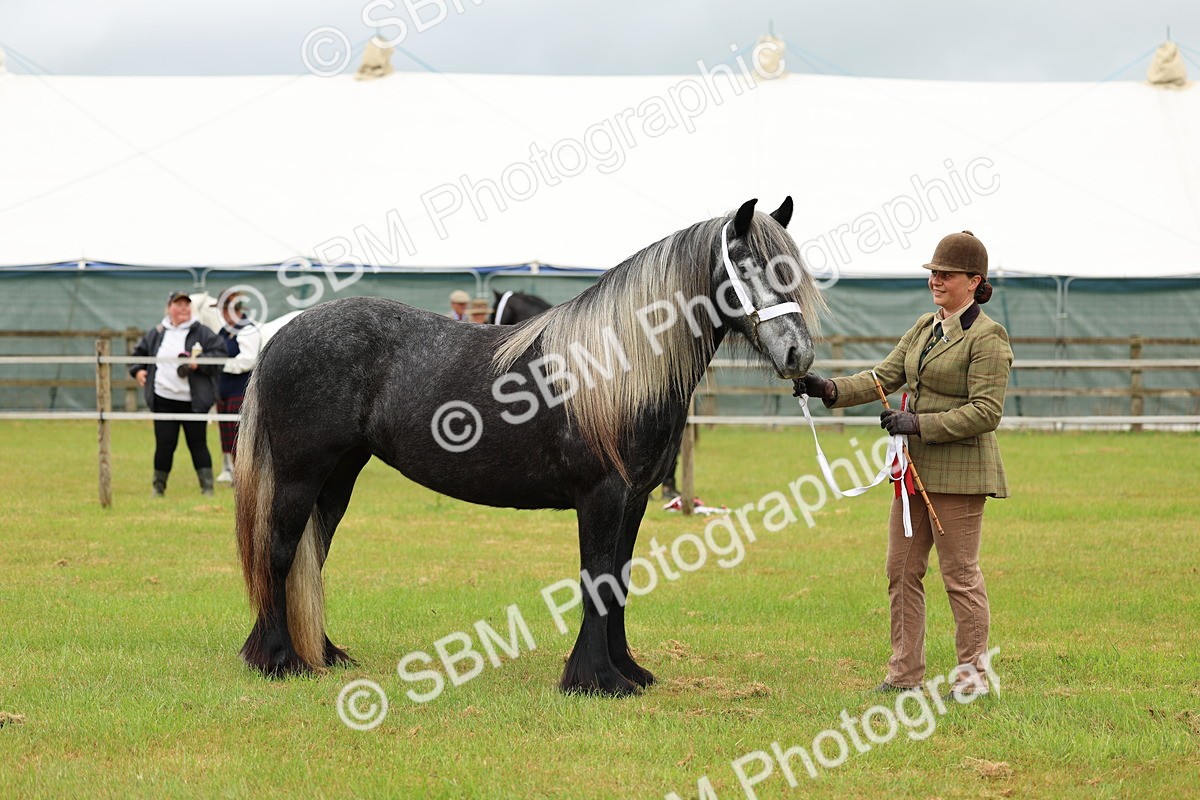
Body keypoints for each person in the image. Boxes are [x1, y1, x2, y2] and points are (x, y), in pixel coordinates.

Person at [800, 231, 1012, 697]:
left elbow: (986, 412)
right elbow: (883, 377)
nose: (935, 280)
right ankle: (904, 675)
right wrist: (829, 389)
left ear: (974, 281)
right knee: (900, 570)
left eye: (946, 274)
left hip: (960, 474)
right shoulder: (923, 327)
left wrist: (918, 423)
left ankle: (972, 679)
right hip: (913, 473)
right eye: (933, 272)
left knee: (959, 577)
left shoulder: (988, 337)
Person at [129, 291, 225, 497]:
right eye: (178, 304)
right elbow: (138, 354)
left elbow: (220, 353)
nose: (183, 308)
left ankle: (207, 489)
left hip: (194, 402)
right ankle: (158, 488)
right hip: (163, 399)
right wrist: (138, 370)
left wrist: (198, 363)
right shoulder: (157, 333)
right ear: (169, 308)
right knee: (164, 445)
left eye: (186, 304)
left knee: (198, 444)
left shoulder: (202, 332)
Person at [214, 291, 261, 483]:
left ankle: (247, 479)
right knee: (228, 439)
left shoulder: (247, 329)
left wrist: (220, 364)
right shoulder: (224, 331)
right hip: (224, 391)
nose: (224, 314)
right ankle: (236, 476)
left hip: (240, 391)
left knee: (240, 439)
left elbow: (247, 360)